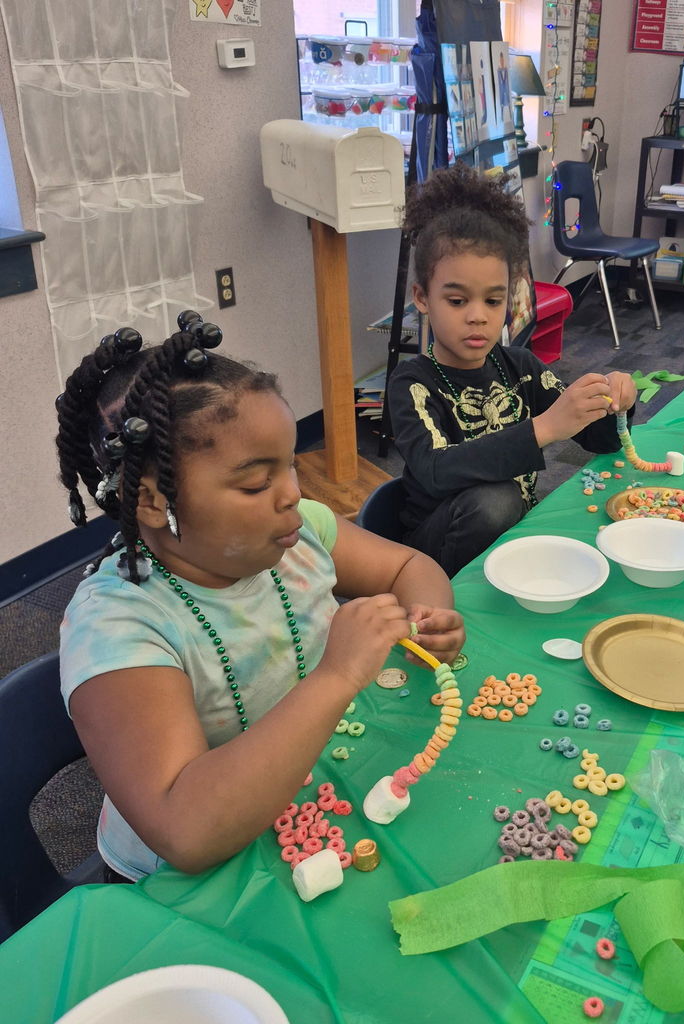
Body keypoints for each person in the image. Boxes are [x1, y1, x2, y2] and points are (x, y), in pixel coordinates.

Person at [55, 315, 464, 881]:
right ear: (150, 502)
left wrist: (427, 616)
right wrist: (336, 676)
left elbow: (408, 565)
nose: (294, 493)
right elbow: (185, 830)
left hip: (307, 797)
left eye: (291, 465)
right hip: (182, 884)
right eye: (255, 483)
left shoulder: (297, 537)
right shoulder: (117, 627)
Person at [387, 162, 638, 577]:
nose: (477, 317)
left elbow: (601, 440)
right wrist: (545, 428)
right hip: (434, 557)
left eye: (492, 300)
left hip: (508, 537)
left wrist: (615, 403)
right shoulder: (412, 382)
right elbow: (433, 471)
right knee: (498, 500)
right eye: (456, 300)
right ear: (422, 297)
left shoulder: (519, 366)